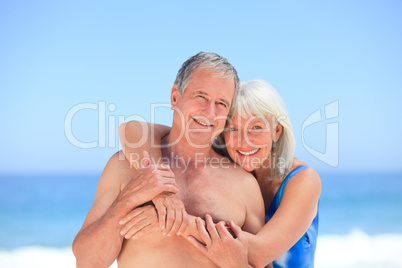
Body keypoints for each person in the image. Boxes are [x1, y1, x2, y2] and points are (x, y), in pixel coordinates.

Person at [72, 52, 265, 268]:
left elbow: (263, 262)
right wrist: (127, 202)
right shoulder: (123, 166)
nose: (210, 112)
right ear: (175, 97)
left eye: (221, 103)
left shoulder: (245, 185)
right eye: (201, 96)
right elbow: (87, 262)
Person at [120, 79, 321, 267]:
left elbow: (261, 253)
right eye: (233, 129)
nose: (244, 142)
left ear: (277, 131)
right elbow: (133, 130)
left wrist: (169, 218)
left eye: (256, 127)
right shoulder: (233, 171)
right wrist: (160, 188)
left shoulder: (304, 180)